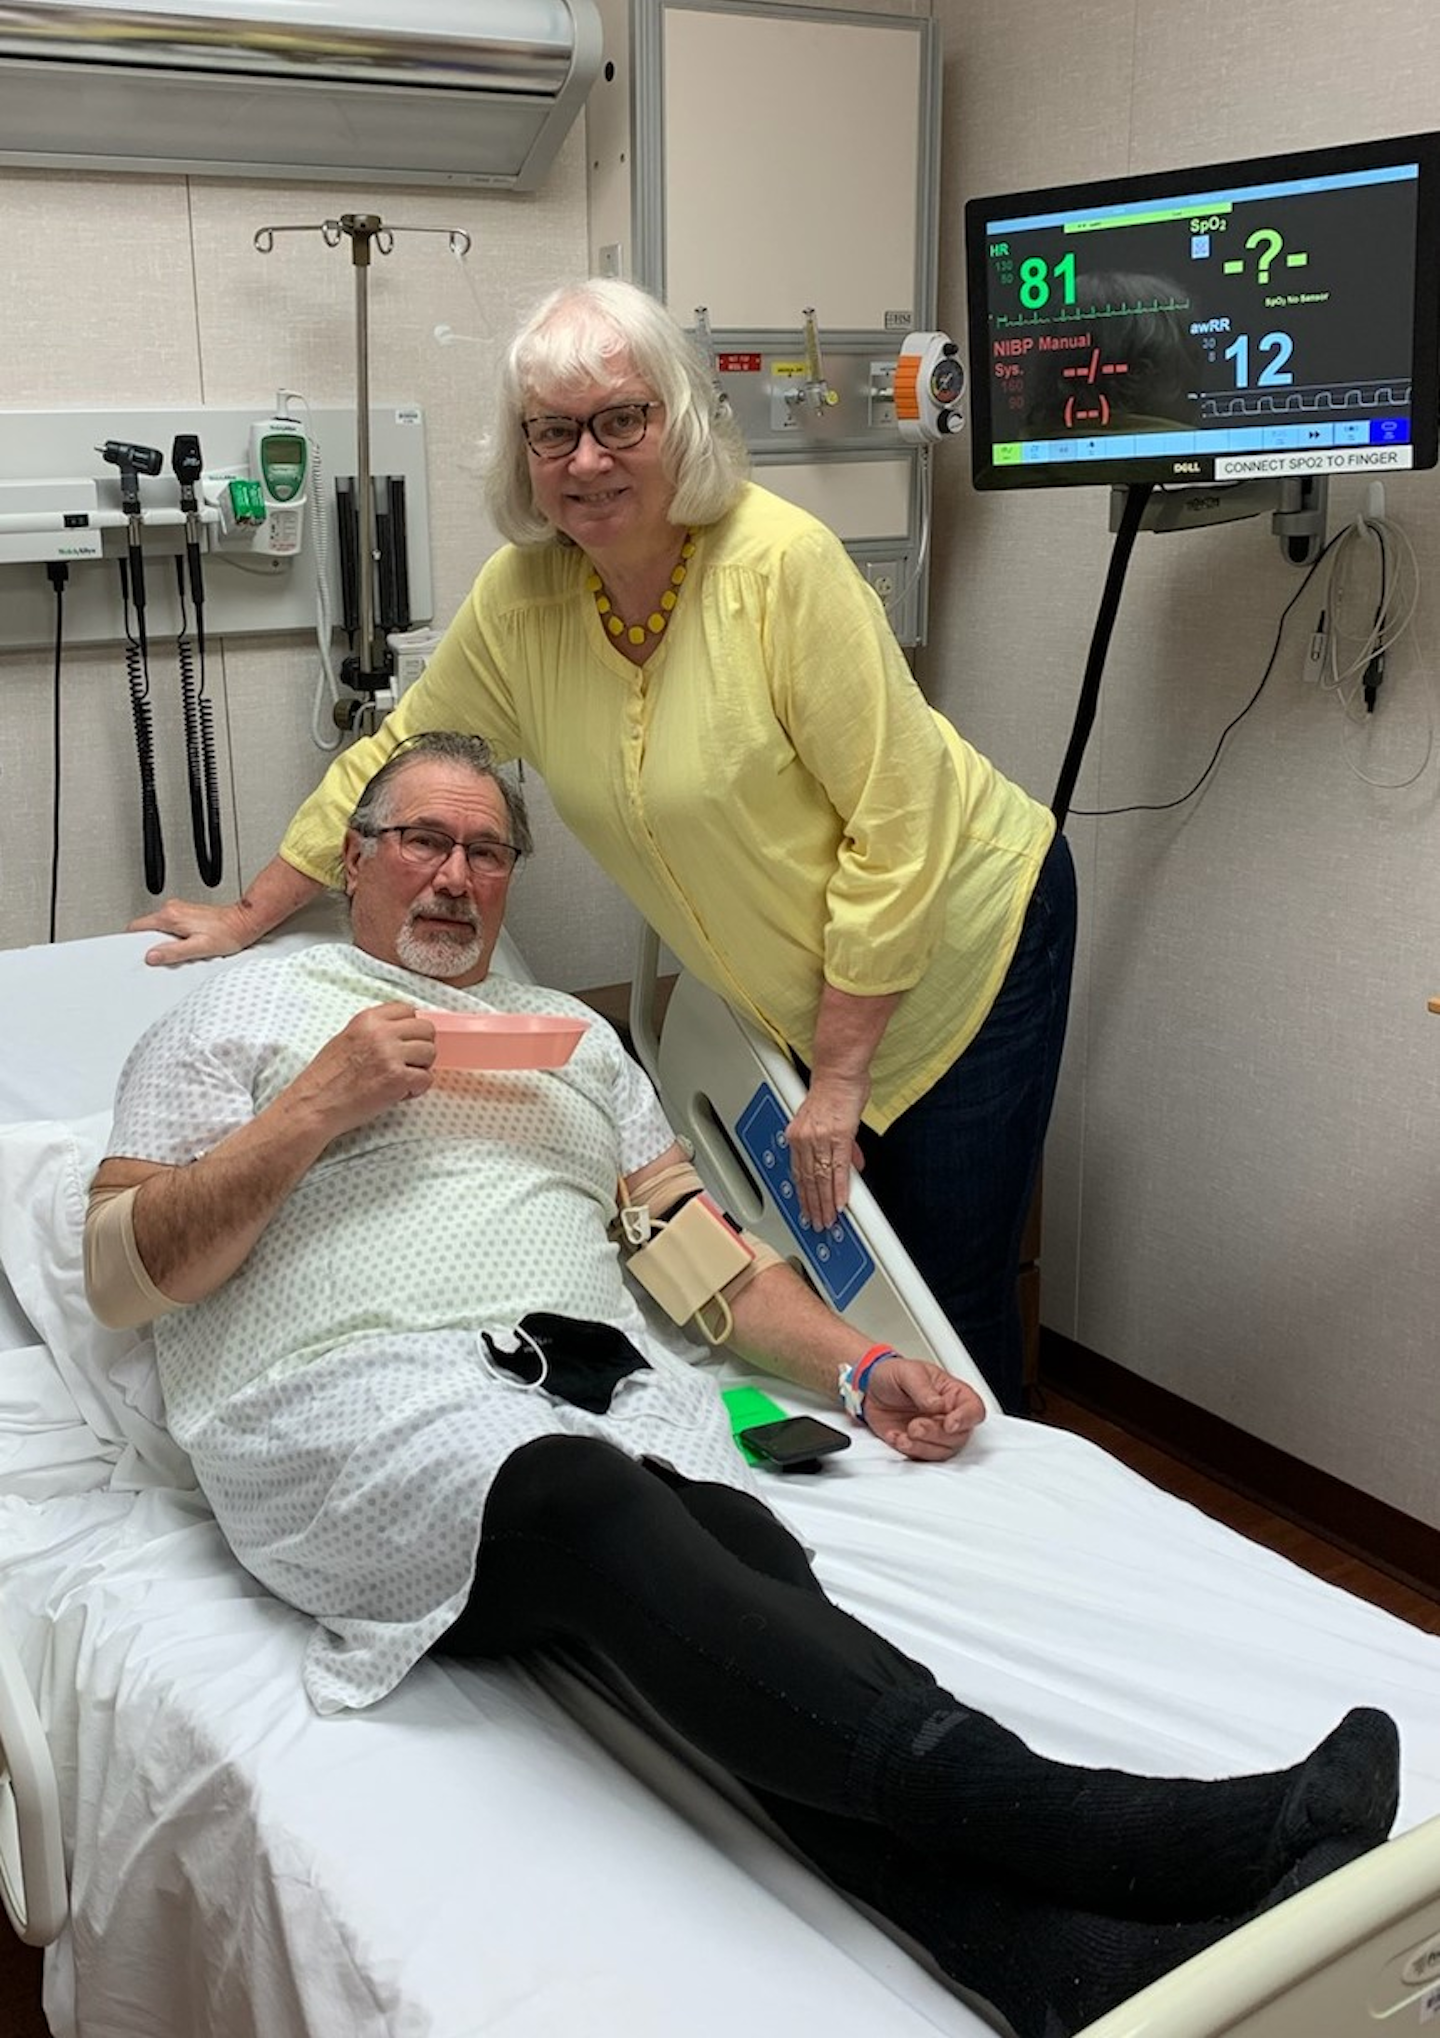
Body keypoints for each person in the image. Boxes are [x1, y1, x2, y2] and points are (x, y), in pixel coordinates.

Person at [91, 732, 1398, 2038]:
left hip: (581, 1397)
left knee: (739, 1547)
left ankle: (1062, 1964)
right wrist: (317, 1103)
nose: (454, 874)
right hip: (342, 1399)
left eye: (488, 851)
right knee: (583, 1501)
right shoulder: (240, 1013)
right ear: (354, 859)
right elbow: (123, 1269)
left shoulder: (580, 1050)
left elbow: (702, 1261)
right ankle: (1115, 1827)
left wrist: (871, 1363)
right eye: (423, 840)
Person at [131, 278, 1073, 1417]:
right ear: (523, 452)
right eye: (553, 431)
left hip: (964, 937)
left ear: (676, 420)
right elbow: (389, 758)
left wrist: (838, 1082)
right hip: (802, 986)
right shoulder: (524, 602)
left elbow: (899, 820)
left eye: (621, 420)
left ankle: (1000, 1506)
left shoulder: (780, 569)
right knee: (866, 1288)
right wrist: (249, 916)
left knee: (943, 1278)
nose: (587, 460)